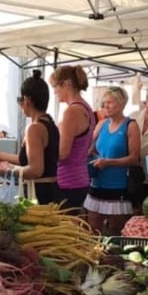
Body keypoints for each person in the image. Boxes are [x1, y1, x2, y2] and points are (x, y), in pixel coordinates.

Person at [0, 71, 61, 205]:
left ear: (27, 100)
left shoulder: (34, 129)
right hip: (50, 191)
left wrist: (9, 172)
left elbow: (36, 170)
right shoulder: (50, 124)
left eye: (20, 100)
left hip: (38, 193)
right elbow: (26, 159)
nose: (20, 104)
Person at [84, 87, 141, 235]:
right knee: (93, 229)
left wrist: (108, 162)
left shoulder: (131, 126)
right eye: (104, 103)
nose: (105, 106)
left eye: (110, 102)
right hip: (96, 183)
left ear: (121, 104)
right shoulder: (102, 124)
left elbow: (134, 158)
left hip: (117, 187)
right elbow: (89, 148)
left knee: (115, 231)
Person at [50, 65, 96, 211]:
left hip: (67, 182)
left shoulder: (72, 112)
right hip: (79, 179)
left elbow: (63, 153)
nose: (55, 92)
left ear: (66, 84)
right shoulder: (86, 108)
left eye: (55, 86)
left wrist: (39, 157)